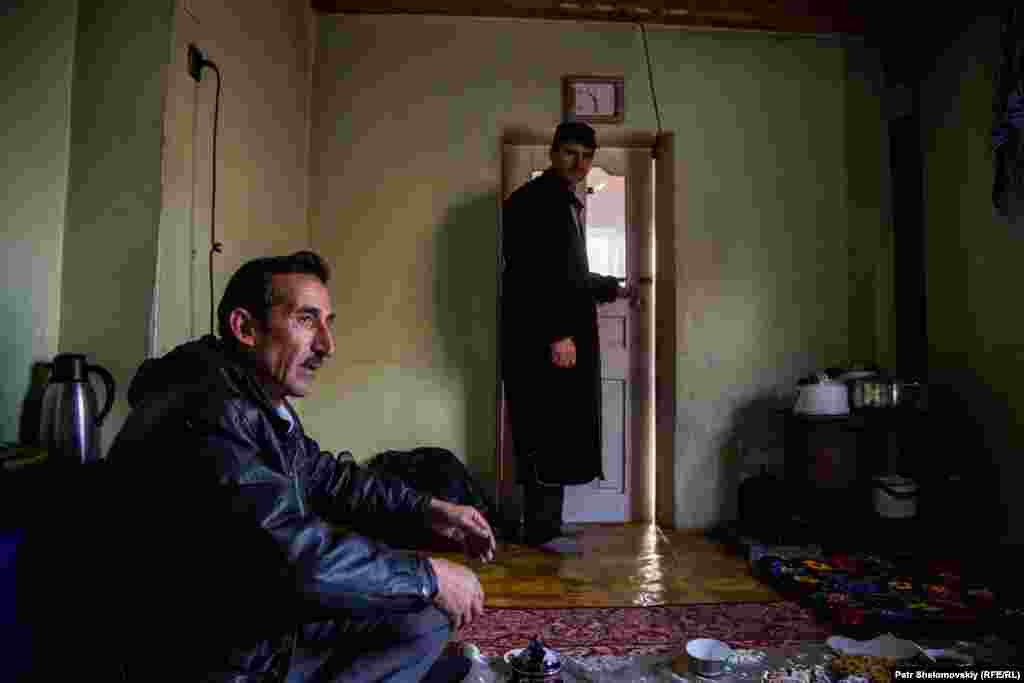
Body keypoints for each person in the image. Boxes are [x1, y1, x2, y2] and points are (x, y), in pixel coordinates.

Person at [100, 250, 496, 682]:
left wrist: (428, 509)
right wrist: (426, 575)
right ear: (245, 328)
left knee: (421, 615)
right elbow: (292, 556)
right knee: (425, 605)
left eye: (328, 323)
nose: (326, 345)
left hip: (250, 626)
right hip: (208, 657)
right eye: (307, 320)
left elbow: (327, 476)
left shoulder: (247, 395)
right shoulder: (207, 413)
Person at [500, 122, 637, 549]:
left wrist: (613, 287)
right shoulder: (533, 201)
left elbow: (570, 275)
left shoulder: (561, 202)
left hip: (556, 338)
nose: (578, 163)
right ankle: (539, 531)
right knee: (543, 428)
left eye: (586, 156)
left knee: (556, 429)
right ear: (553, 152)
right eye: (570, 153)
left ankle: (548, 527)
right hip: (542, 339)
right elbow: (532, 276)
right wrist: (558, 333)